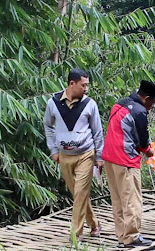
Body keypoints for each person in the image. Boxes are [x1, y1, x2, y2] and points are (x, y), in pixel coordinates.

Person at [102, 80, 155, 248]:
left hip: (109, 157)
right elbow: (143, 141)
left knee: (118, 199)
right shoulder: (139, 111)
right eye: (153, 102)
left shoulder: (119, 105)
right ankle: (132, 237)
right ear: (147, 98)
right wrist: (150, 152)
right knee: (132, 199)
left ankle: (122, 236)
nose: (152, 106)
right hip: (125, 160)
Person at [44, 68, 104, 239]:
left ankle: (75, 234)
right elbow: (48, 126)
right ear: (72, 84)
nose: (86, 89)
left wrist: (99, 156)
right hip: (64, 155)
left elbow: (97, 131)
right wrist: (53, 149)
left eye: (87, 86)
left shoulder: (89, 104)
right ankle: (94, 223)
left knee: (80, 192)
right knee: (78, 193)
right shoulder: (53, 103)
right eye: (83, 85)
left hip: (86, 153)